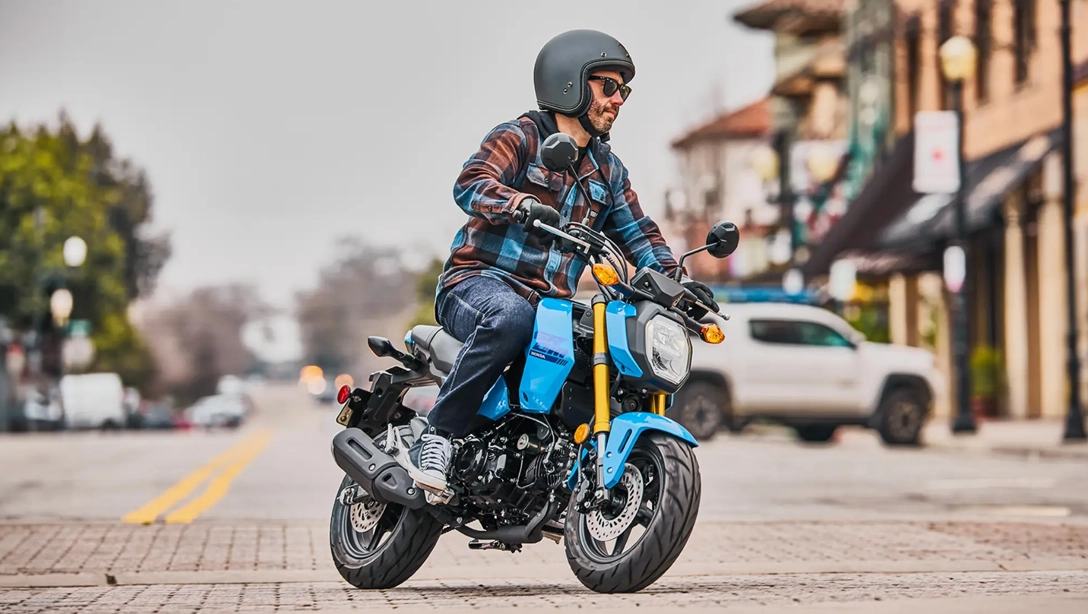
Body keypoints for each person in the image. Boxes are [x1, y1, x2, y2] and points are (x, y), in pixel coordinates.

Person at [406, 29, 719, 492]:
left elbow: (640, 234)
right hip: (476, 284)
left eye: (623, 91)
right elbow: (471, 182)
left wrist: (678, 282)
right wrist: (518, 204)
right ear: (568, 82)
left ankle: (558, 464)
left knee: (607, 348)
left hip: (547, 306)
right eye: (607, 86)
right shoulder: (522, 137)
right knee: (510, 316)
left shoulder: (607, 171)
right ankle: (439, 435)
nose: (618, 100)